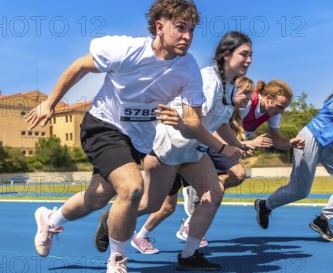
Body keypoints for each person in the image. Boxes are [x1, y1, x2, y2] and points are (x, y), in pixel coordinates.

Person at [28, 0, 204, 273]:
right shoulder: (125, 50)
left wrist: (184, 122)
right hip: (103, 125)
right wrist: (50, 103)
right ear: (160, 27)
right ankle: (117, 262)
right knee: (132, 187)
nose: (187, 36)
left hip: (138, 138)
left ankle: (50, 218)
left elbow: (193, 120)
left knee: (97, 197)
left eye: (191, 30)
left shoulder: (188, 68)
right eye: (181, 28)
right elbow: (80, 67)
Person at [96, 31, 250, 260]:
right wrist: (222, 148)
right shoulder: (209, 80)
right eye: (244, 54)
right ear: (226, 55)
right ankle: (112, 216)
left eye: (251, 55)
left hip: (192, 152)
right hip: (169, 147)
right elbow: (193, 122)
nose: (249, 60)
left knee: (213, 195)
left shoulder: (229, 86)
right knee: (152, 204)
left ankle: (189, 255)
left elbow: (222, 121)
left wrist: (237, 144)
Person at [254, 62, 333, 241]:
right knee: (300, 190)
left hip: (329, 143)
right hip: (312, 138)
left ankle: (322, 220)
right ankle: (265, 206)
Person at [172, 78, 306, 245]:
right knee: (237, 173)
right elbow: (218, 127)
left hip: (226, 144)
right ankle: (197, 195)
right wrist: (242, 144)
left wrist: (290, 143)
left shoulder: (271, 113)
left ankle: (194, 209)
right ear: (268, 98)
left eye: (285, 107)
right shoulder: (247, 103)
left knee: (165, 206)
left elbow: (278, 141)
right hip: (212, 140)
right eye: (280, 106)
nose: (282, 111)